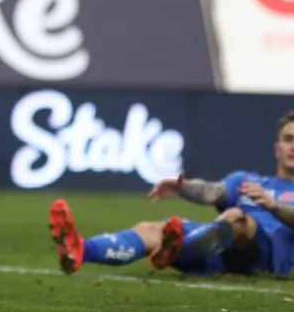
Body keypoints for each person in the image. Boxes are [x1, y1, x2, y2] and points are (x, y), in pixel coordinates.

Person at [49, 111, 294, 278]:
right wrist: (183, 187)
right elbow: (213, 192)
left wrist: (272, 206)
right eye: (288, 139)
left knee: (238, 218)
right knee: (153, 229)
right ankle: (81, 249)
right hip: (215, 250)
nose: (293, 146)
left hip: (266, 259)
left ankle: (179, 250)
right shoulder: (248, 180)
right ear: (276, 148)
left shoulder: (268, 197)